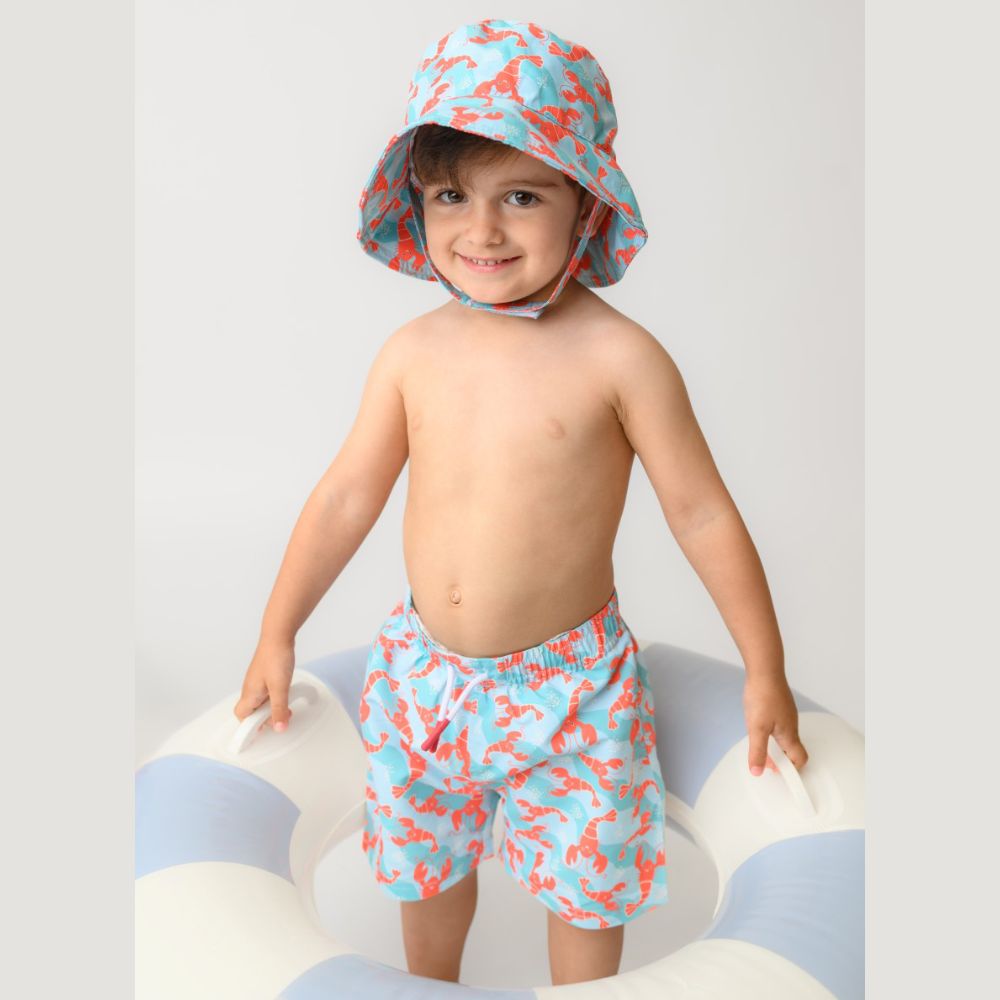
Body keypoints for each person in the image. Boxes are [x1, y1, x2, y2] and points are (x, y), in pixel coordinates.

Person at [234, 18, 809, 987]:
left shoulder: (620, 358)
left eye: (522, 196)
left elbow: (702, 514)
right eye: (451, 196)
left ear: (585, 204)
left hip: (572, 694)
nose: (482, 230)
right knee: (426, 876)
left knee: (585, 892)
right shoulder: (413, 354)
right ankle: (433, 983)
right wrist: (276, 630)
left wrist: (766, 668)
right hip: (425, 680)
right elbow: (345, 498)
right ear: (417, 202)